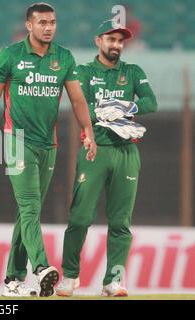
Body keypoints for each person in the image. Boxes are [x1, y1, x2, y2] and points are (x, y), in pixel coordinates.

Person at [0, 3, 97, 297]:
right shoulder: (10, 55)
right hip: (16, 141)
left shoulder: (63, 57)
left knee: (27, 212)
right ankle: (41, 266)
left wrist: (88, 130)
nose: (48, 27)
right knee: (30, 207)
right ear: (29, 25)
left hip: (48, 144)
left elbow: (78, 100)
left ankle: (12, 281)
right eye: (42, 22)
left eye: (52, 22)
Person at [56, 19, 157, 297]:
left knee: (121, 222)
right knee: (79, 218)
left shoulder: (133, 71)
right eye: (111, 40)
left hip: (126, 152)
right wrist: (104, 112)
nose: (116, 45)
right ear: (98, 41)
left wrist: (127, 106)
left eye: (120, 41)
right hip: (95, 150)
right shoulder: (84, 71)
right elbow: (81, 103)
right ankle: (70, 276)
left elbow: (151, 102)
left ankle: (113, 281)